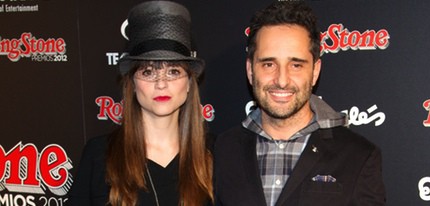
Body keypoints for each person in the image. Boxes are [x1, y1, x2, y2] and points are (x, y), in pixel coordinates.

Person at [214, 1, 386, 206]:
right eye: (269, 64)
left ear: (315, 71)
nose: (282, 80)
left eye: (296, 65)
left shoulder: (358, 157)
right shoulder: (221, 151)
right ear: (251, 71)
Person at [67, 1, 213, 206]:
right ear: (133, 83)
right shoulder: (99, 154)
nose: (161, 83)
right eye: (148, 71)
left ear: (189, 83)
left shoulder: (214, 154)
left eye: (173, 71)